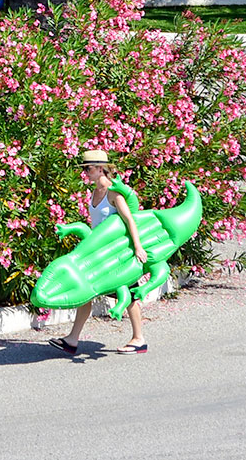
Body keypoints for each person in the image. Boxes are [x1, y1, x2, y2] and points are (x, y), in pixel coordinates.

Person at [49, 149, 148, 355]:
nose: (86, 172)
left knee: (128, 293)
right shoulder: (94, 192)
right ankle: (72, 339)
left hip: (116, 254)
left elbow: (130, 220)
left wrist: (138, 247)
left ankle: (139, 339)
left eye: (89, 168)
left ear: (101, 168)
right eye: (85, 169)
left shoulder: (114, 193)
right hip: (98, 254)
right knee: (86, 292)